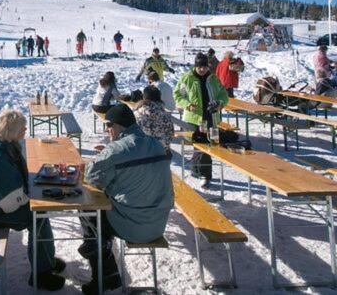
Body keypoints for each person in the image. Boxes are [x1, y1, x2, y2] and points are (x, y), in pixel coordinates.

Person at [79, 104, 173, 294]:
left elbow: (90, 176)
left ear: (118, 125)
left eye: (108, 125)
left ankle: (104, 274)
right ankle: (106, 266)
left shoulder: (116, 149)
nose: (107, 129)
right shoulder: (155, 144)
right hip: (157, 223)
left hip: (131, 226)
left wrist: (104, 155)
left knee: (88, 208)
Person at [0, 110, 65, 291]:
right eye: (22, 127)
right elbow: (7, 201)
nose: (26, 129)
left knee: (39, 211)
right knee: (38, 217)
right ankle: (41, 273)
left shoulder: (2, 144)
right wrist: (31, 198)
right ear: (11, 131)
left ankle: (45, 260)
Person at [173, 53, 229, 188]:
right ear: (195, 66)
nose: (202, 69)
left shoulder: (213, 78)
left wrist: (219, 103)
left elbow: (224, 94)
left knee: (208, 146)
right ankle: (196, 170)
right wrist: (188, 105)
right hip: (194, 119)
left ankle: (205, 175)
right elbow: (177, 94)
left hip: (211, 117)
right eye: (199, 67)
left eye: (204, 67)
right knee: (198, 145)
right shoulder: (187, 78)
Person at [133, 86, 175, 154]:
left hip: (143, 153)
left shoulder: (137, 114)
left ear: (144, 97)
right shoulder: (166, 115)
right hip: (162, 153)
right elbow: (171, 134)